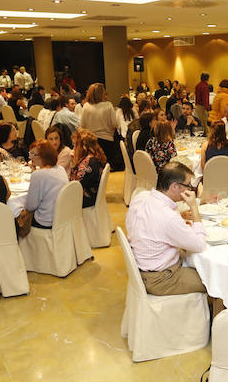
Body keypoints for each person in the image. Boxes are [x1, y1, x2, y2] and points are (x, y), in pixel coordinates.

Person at [125, 162, 207, 296]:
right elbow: (199, 244)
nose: (190, 190)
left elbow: (152, 224)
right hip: (162, 279)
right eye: (188, 185)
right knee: (214, 281)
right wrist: (194, 207)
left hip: (144, 268)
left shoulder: (141, 196)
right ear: (175, 186)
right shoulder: (167, 217)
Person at [20, 140, 69, 230]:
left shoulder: (38, 175)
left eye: (34, 155)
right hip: (63, 218)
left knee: (17, 216)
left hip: (45, 221)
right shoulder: (60, 169)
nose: (31, 157)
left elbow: (30, 206)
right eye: (30, 153)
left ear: (44, 156)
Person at [80, 83, 123, 171]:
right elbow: (115, 123)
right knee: (107, 168)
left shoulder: (86, 106)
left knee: (95, 168)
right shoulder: (108, 105)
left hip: (91, 141)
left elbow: (82, 125)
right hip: (107, 140)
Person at [69, 129, 108, 208]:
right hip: (92, 196)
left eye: (75, 145)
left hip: (85, 200)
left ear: (82, 147)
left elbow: (75, 186)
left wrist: (73, 164)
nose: (73, 149)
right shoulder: (95, 158)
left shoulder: (87, 164)